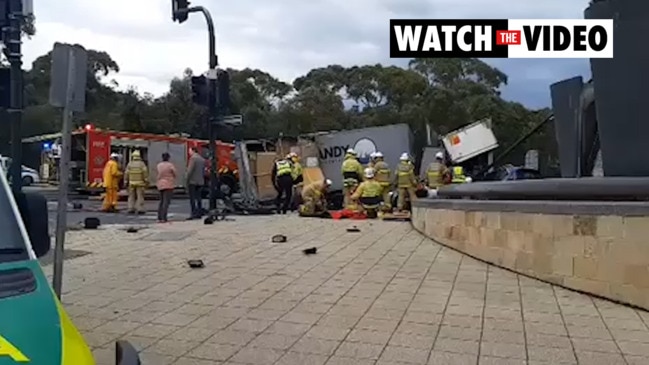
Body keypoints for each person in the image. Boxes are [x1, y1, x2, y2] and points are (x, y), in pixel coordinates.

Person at [124, 150, 148, 214]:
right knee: (140, 196)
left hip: (131, 183)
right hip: (140, 183)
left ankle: (131, 208)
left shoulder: (130, 164)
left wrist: (126, 181)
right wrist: (146, 181)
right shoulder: (141, 164)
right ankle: (140, 209)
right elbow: (145, 173)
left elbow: (126, 173)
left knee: (131, 196)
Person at [156, 152, 176, 223]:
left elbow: (158, 173)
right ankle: (164, 217)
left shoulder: (159, 165)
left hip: (160, 184)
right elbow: (174, 173)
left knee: (161, 201)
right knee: (166, 201)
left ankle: (159, 217)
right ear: (168, 158)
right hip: (168, 184)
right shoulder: (170, 165)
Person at [186, 147, 205, 219]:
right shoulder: (202, 159)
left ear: (193, 151)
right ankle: (199, 212)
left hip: (193, 181)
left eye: (189, 151)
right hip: (200, 181)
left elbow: (190, 171)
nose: (189, 152)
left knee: (192, 198)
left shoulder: (193, 159)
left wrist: (186, 179)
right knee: (199, 197)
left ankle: (193, 213)